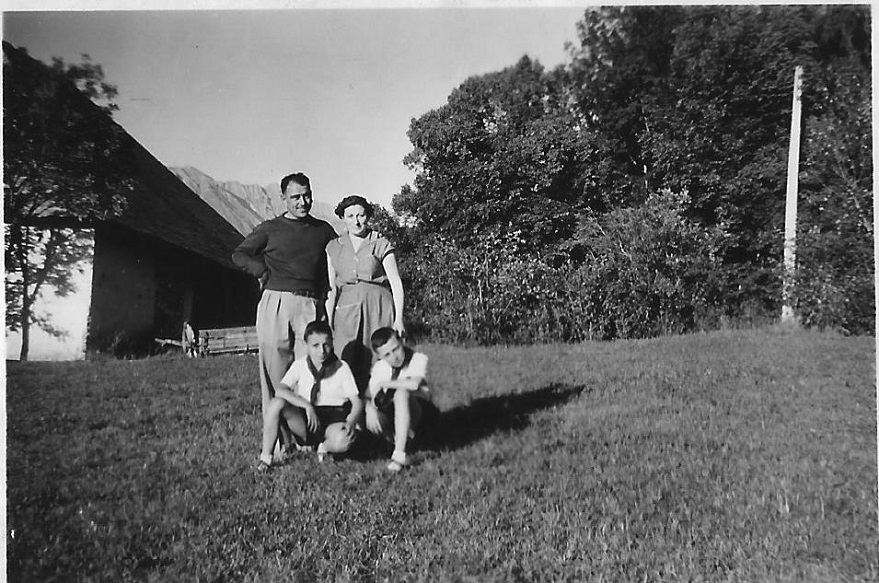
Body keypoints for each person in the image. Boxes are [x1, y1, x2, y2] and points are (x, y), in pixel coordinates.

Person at [232, 173, 337, 458]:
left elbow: (336, 266)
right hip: (275, 304)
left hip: (310, 306)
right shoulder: (269, 228)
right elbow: (239, 254)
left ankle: (316, 440)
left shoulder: (323, 230)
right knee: (275, 376)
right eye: (295, 197)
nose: (303, 202)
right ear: (284, 199)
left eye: (306, 195)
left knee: (312, 372)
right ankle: (280, 442)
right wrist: (261, 271)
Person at [325, 195, 405, 395]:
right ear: (343, 218)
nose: (356, 221)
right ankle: (352, 416)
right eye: (350, 216)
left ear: (368, 216)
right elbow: (331, 288)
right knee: (346, 361)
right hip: (346, 311)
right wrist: (329, 321)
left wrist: (399, 319)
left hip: (378, 308)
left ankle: (382, 413)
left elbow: (395, 281)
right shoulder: (334, 247)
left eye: (361, 215)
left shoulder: (380, 243)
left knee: (380, 361)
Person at [257, 321, 363, 471]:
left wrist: (351, 421)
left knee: (344, 440)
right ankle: (266, 459)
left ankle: (324, 447)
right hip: (307, 417)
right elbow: (280, 390)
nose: (322, 351)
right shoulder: (300, 365)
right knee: (276, 403)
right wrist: (306, 405)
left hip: (333, 418)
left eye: (326, 344)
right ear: (306, 345)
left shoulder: (341, 367)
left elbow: (357, 402)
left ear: (332, 343)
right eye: (315, 346)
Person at [364, 327, 432, 472]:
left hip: (420, 415)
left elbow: (414, 384)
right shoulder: (379, 368)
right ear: (380, 356)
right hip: (393, 413)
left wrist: (384, 383)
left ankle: (399, 454)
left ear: (402, 342)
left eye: (396, 349)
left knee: (401, 393)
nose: (394, 357)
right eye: (387, 355)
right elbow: (369, 395)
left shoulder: (418, 358)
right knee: (367, 411)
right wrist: (369, 408)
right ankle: (393, 443)